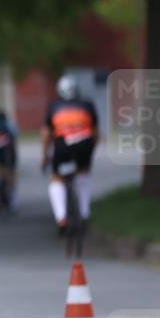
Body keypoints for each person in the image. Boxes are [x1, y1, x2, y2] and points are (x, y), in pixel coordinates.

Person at [41, 75, 98, 233]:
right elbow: (95, 133)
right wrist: (90, 152)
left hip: (62, 145)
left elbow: (46, 134)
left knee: (56, 178)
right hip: (85, 144)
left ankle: (61, 218)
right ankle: (84, 214)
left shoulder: (54, 106)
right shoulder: (87, 105)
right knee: (83, 173)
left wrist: (45, 156)